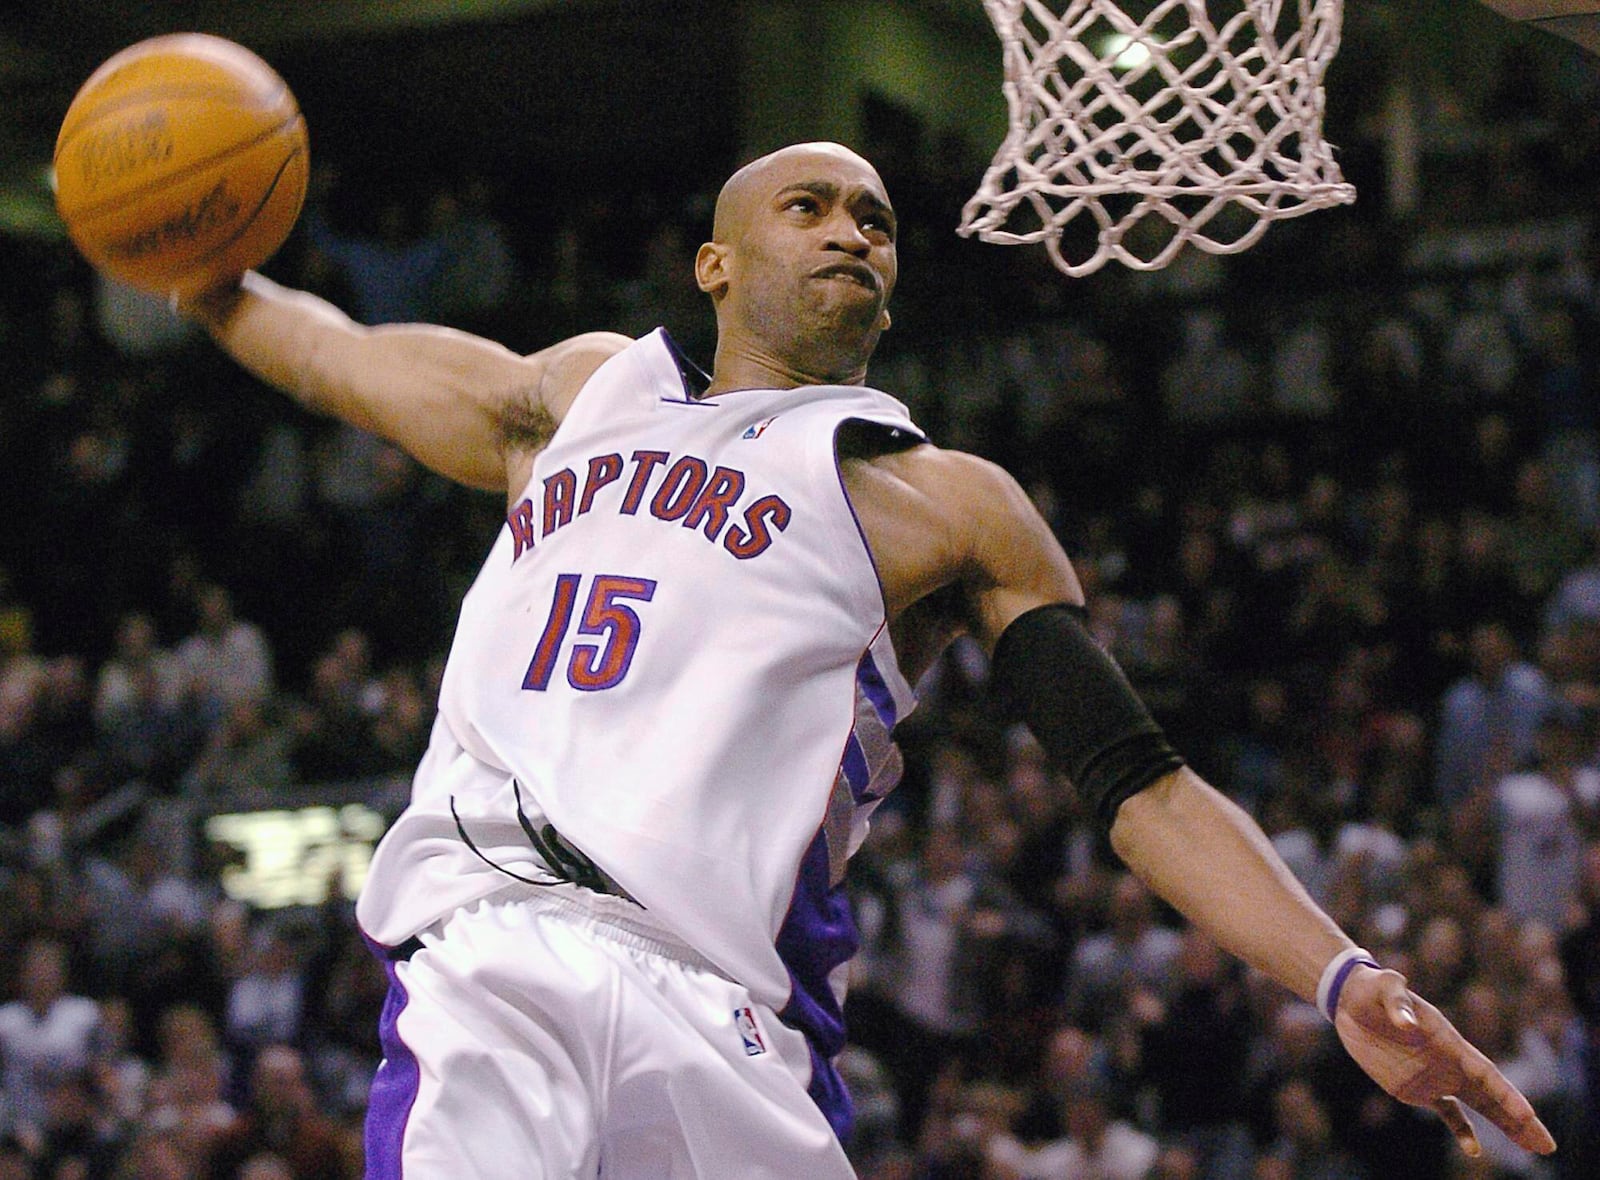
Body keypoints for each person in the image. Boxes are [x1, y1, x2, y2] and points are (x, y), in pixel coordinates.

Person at [171, 142, 1558, 1177]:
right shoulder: (578, 397)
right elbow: (337, 355)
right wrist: (187, 259)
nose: (854, 233)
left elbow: (1141, 784)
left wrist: (1340, 975)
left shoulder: (944, 503)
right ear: (715, 263)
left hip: (734, 1013)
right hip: (498, 950)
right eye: (811, 206)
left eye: (878, 222)